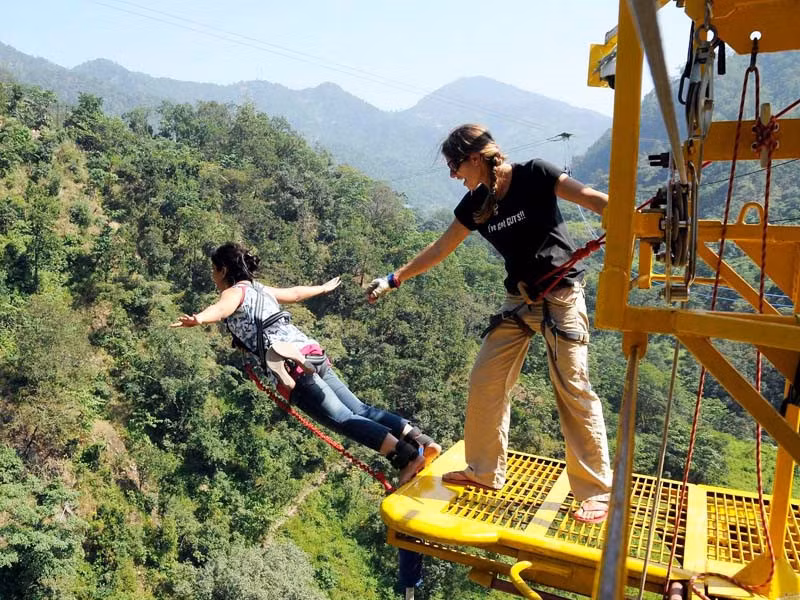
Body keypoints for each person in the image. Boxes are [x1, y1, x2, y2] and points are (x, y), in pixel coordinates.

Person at [366, 124, 612, 523]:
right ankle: (484, 471)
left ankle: (596, 491)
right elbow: (441, 248)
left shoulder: (535, 174)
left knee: (572, 387)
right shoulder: (475, 204)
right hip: (519, 299)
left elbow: (591, 198)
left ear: (476, 157)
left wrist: (630, 218)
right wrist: (395, 278)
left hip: (561, 295)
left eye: (454, 165)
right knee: (485, 380)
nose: (452, 175)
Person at [172, 242, 440, 485]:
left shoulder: (233, 293)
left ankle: (406, 458)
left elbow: (220, 310)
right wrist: (322, 288)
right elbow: (296, 293)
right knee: (360, 408)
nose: (212, 276)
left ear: (223, 270)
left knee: (344, 419)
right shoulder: (259, 288)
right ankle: (421, 441)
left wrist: (198, 319)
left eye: (213, 269)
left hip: (292, 365)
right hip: (311, 352)